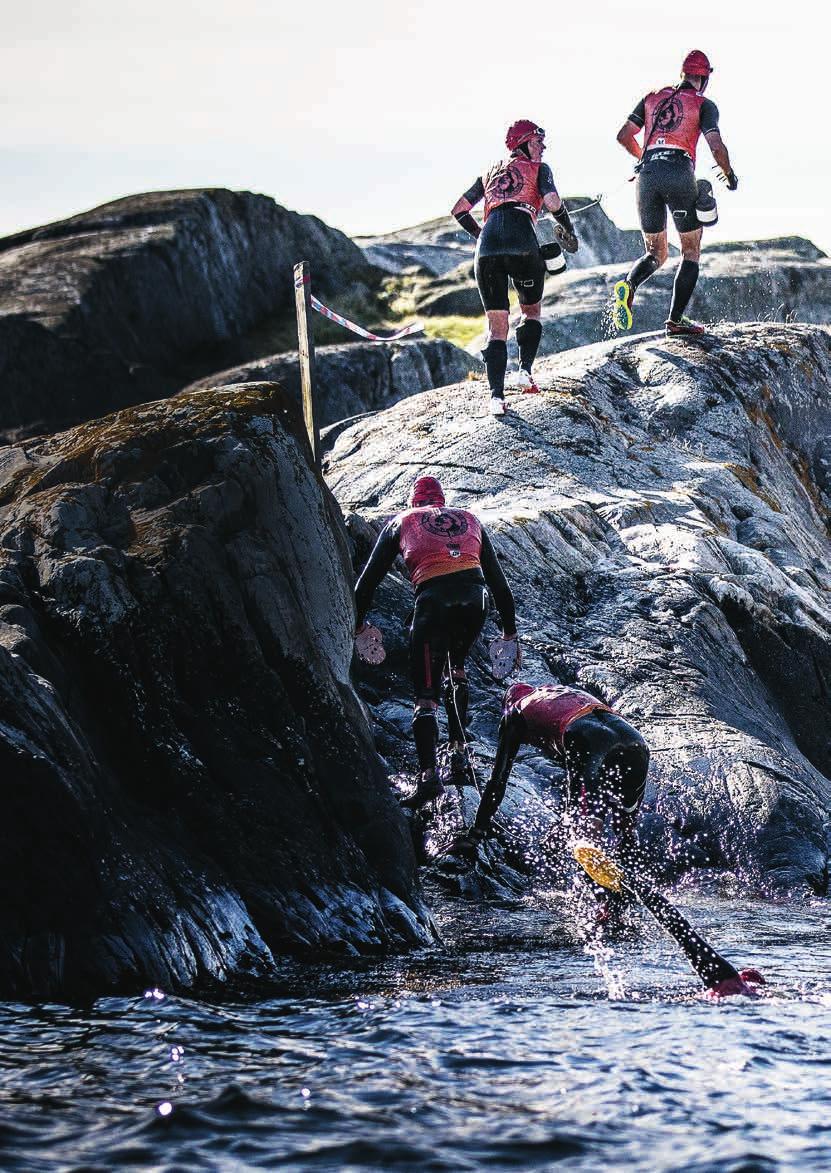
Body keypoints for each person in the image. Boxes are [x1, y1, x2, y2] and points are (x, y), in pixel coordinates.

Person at [354, 476, 518, 808]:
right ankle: (459, 753)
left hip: (433, 602)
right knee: (456, 667)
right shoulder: (470, 519)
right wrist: (510, 634)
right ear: (443, 500)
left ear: (414, 502)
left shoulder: (402, 521)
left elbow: (366, 583)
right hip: (477, 600)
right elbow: (500, 585)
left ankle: (428, 777)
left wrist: (359, 627)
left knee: (425, 694)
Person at [450, 120, 579, 416]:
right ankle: (525, 372)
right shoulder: (540, 170)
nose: (543, 147)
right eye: (537, 142)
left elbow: (459, 209)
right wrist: (569, 229)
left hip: (487, 247)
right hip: (522, 239)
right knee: (531, 311)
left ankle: (496, 398)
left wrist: (481, 235)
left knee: (497, 326)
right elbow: (553, 201)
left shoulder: (488, 172)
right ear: (521, 143)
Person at [614, 49, 738, 338]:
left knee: (655, 253)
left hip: (647, 177)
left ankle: (629, 286)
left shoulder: (652, 97)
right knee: (691, 250)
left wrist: (643, 158)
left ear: (682, 74)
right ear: (704, 79)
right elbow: (716, 146)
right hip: (679, 171)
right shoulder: (703, 104)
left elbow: (624, 134)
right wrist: (730, 175)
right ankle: (676, 319)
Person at [469, 682, 649, 850]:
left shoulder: (515, 711)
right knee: (626, 817)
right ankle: (629, 852)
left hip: (587, 735)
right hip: (634, 739)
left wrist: (478, 830)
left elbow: (498, 779)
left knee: (586, 817)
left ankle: (590, 857)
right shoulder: (558, 691)